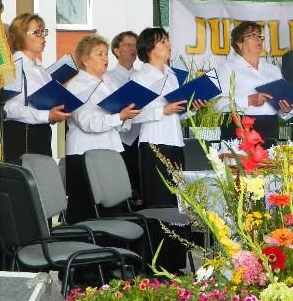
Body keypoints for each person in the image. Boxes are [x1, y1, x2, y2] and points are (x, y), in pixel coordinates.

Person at [65, 35, 141, 223]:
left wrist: (126, 116)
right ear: (85, 59)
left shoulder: (110, 82)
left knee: (114, 210)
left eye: (106, 54)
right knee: (88, 211)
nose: (105, 58)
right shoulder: (76, 85)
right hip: (85, 153)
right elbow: (86, 122)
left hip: (111, 150)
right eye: (99, 54)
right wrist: (119, 116)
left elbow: (120, 124)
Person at [130, 27, 207, 208]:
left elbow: (176, 113)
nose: (169, 45)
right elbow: (132, 116)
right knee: (158, 199)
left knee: (177, 199)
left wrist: (192, 108)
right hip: (154, 143)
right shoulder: (139, 77)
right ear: (150, 48)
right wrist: (162, 110)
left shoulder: (172, 75)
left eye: (168, 40)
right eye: (163, 42)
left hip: (175, 142)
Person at [2, 13, 70, 161]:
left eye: (43, 31)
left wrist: (55, 113)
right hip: (22, 139)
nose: (43, 36)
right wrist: (47, 115)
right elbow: (9, 109)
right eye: (37, 32)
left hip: (41, 136)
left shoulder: (41, 69)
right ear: (21, 35)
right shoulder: (15, 66)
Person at [216, 21, 293, 146]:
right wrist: (249, 100)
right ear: (239, 43)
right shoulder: (227, 67)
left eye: (260, 36)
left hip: (270, 129)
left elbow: (282, 111)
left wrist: (286, 109)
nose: (259, 39)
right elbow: (218, 104)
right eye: (253, 35)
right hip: (239, 129)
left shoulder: (273, 70)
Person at [104, 31, 141, 195]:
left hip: (140, 135)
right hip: (116, 138)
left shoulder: (142, 76)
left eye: (135, 45)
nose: (133, 48)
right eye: (128, 45)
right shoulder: (107, 77)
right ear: (116, 50)